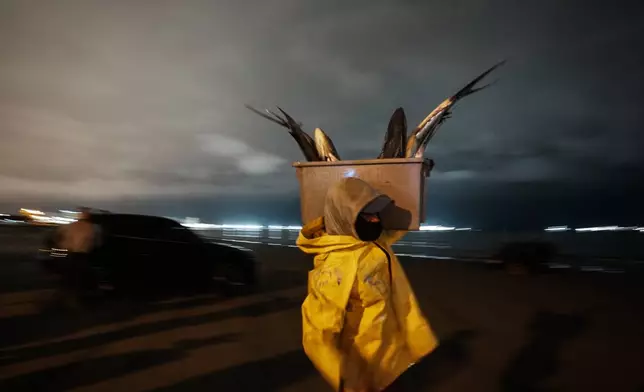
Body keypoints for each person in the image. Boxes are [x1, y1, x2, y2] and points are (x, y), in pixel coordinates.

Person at [296, 177, 439, 392]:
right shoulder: (337, 266)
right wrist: (345, 379)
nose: (374, 221)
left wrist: (414, 186)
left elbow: (397, 228)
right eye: (366, 215)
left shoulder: (372, 243)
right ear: (346, 217)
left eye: (376, 214)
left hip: (394, 355)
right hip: (370, 370)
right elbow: (316, 334)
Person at [51, 207, 101, 309]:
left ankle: (60, 298)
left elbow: (56, 237)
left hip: (68, 254)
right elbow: (97, 243)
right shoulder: (93, 228)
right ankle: (72, 302)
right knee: (77, 279)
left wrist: (61, 245)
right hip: (81, 256)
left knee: (66, 277)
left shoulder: (68, 226)